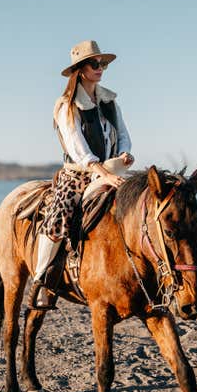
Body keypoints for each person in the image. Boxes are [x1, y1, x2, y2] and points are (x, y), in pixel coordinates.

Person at [30, 40, 134, 309]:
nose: (100, 68)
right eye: (94, 64)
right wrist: (103, 174)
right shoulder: (66, 105)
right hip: (78, 174)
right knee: (59, 216)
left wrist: (125, 153)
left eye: (102, 64)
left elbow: (123, 134)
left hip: (111, 170)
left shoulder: (110, 102)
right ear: (80, 70)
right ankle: (41, 280)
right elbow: (78, 148)